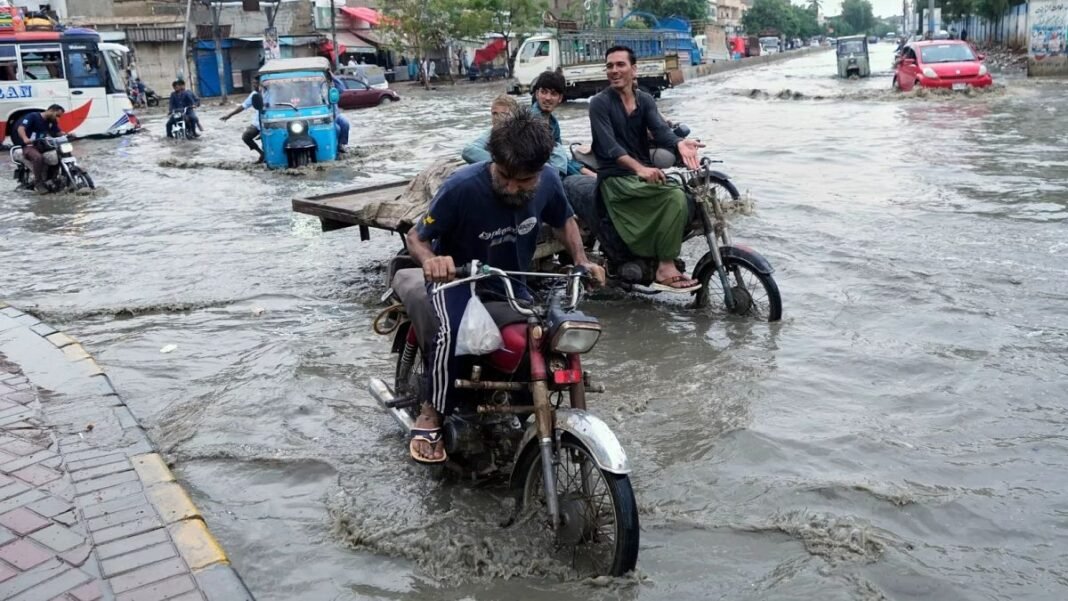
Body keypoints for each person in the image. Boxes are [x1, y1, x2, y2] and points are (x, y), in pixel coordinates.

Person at [402, 107, 605, 463]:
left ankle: (519, 409)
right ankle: (432, 410)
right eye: (504, 176)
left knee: (545, 336)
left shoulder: (551, 182)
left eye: (523, 180)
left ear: (541, 170)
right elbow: (416, 237)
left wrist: (582, 260)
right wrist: (432, 260)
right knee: (448, 333)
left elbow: (565, 220)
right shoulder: (461, 187)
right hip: (459, 281)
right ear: (493, 160)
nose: (511, 187)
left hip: (513, 282)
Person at [589, 46, 704, 292]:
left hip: (639, 176)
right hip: (616, 180)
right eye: (610, 66)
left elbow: (661, 131)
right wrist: (640, 169)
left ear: (634, 69)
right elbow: (610, 148)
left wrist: (679, 143)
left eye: (620, 65)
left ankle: (658, 254)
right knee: (674, 196)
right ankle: (665, 266)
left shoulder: (645, 100)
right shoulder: (599, 104)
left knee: (683, 192)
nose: (614, 70)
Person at [528, 70, 595, 177]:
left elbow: (561, 158)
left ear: (560, 98)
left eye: (553, 93)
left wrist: (585, 172)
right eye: (544, 92)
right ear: (537, 94)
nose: (548, 98)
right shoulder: (530, 121)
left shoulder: (553, 123)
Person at [15, 104, 65, 193]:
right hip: (29, 146)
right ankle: (38, 183)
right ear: (51, 110)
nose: (58, 118)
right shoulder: (33, 116)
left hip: (42, 145)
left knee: (59, 153)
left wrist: (67, 135)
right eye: (57, 115)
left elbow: (57, 132)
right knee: (38, 158)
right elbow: (21, 128)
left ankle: (53, 178)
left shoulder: (52, 121)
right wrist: (25, 138)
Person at [460, 94, 518, 164]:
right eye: (494, 113)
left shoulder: (525, 132)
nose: (498, 117)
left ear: (515, 115)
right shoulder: (491, 133)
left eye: (504, 114)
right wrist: (502, 164)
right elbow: (469, 151)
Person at [220, 75, 264, 163]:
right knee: (246, 136)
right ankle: (261, 153)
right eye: (254, 83)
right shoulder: (254, 95)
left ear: (262, 83)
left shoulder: (270, 92)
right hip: (258, 123)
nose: (254, 85)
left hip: (271, 120)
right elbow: (243, 106)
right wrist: (229, 115)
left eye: (256, 83)